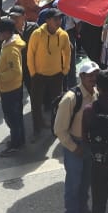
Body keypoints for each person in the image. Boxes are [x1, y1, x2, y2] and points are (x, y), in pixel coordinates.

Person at [54, 60, 98, 213]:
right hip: (75, 145)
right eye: (90, 76)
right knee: (73, 184)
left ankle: (83, 210)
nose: (93, 79)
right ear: (81, 76)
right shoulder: (71, 99)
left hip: (88, 145)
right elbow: (59, 130)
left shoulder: (95, 94)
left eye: (95, 75)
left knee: (86, 180)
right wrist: (74, 148)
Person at [25, 8, 70, 136]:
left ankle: (55, 128)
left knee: (57, 104)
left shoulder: (63, 35)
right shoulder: (37, 34)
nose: (59, 21)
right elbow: (30, 54)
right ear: (47, 20)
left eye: (60, 18)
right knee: (36, 104)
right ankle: (37, 128)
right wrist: (33, 73)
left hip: (57, 75)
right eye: (55, 19)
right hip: (38, 75)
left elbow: (67, 52)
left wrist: (65, 69)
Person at [0, 19, 27, 155]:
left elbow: (15, 72)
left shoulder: (12, 49)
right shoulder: (7, 43)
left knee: (12, 118)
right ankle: (19, 140)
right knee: (16, 116)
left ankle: (15, 144)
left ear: (7, 33)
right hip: (11, 87)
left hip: (10, 89)